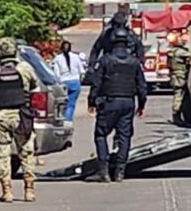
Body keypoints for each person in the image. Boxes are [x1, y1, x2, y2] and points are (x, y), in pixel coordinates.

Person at [0, 37, 40, 203]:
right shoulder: (25, 68)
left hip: (0, 117)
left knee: (3, 154)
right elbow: (35, 86)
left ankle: (7, 191)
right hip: (22, 116)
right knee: (27, 153)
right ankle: (29, 190)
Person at [87, 25, 147, 183]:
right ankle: (120, 171)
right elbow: (142, 85)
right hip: (128, 102)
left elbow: (96, 83)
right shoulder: (134, 62)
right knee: (124, 136)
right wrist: (142, 105)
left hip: (109, 102)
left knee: (100, 135)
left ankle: (104, 171)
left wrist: (91, 101)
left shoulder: (105, 60)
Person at [52, 40, 85, 121]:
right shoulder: (76, 57)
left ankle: (62, 118)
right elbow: (82, 71)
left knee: (62, 104)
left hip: (64, 83)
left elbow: (56, 74)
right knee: (71, 104)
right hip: (75, 82)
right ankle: (68, 120)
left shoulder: (57, 59)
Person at [168, 32, 191, 125]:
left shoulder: (172, 51)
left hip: (176, 75)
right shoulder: (179, 52)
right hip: (179, 76)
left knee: (180, 95)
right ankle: (176, 115)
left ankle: (178, 115)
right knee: (179, 95)